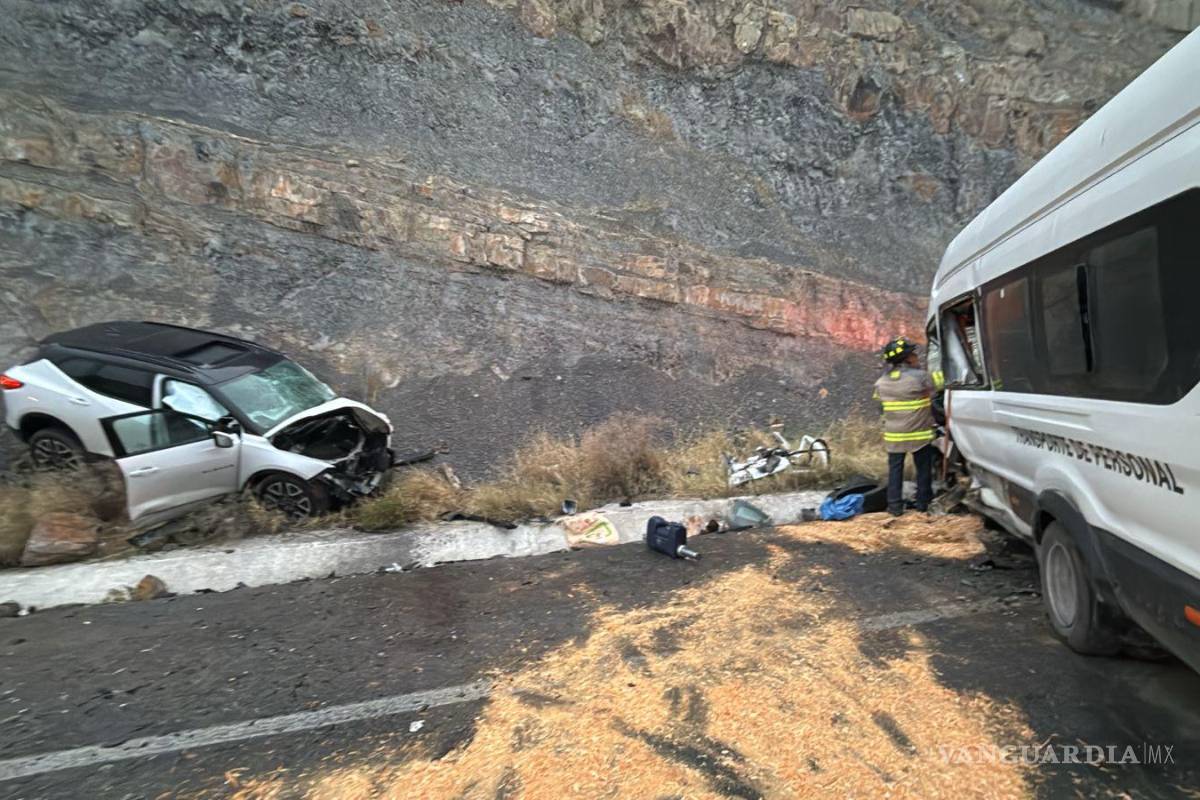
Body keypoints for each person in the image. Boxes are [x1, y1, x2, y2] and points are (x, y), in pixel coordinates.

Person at [873, 336, 936, 516]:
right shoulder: (920, 377)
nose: (916, 357)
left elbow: (880, 407)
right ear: (907, 358)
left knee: (895, 471)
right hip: (919, 434)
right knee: (923, 468)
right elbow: (937, 387)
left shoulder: (881, 382)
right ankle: (923, 504)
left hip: (894, 435)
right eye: (914, 354)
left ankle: (894, 507)